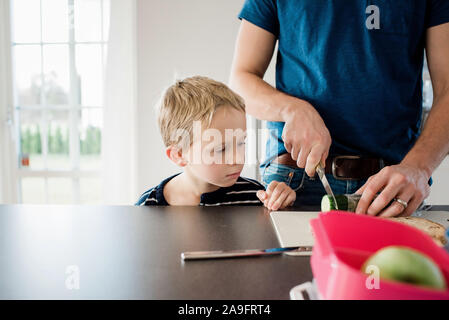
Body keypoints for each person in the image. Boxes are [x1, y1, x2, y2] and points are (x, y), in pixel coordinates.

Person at [230, 0, 449, 217]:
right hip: (295, 180)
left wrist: (419, 168)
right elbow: (241, 81)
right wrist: (293, 110)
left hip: (392, 186)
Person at [136, 76, 296, 210]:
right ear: (179, 155)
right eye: (221, 149)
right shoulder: (148, 207)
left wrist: (281, 208)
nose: (238, 158)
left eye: (241, 143)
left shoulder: (255, 198)